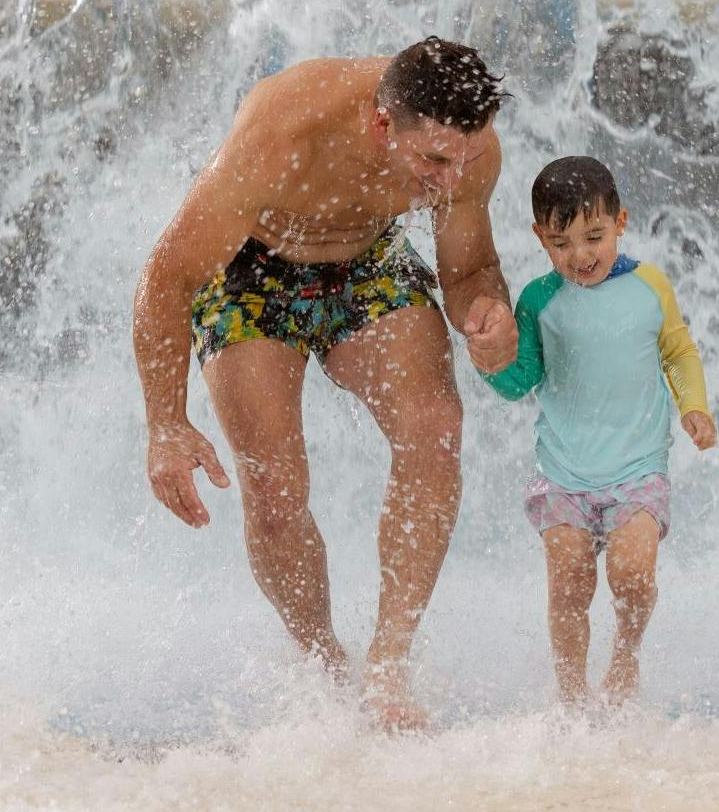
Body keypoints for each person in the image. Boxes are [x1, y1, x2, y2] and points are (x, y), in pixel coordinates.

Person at [131, 37, 519, 730]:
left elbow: (467, 271)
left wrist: (487, 315)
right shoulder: (284, 132)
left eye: (464, 159)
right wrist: (166, 422)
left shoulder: (466, 149)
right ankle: (322, 663)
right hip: (252, 272)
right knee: (276, 493)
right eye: (433, 161)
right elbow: (168, 277)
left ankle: (389, 664)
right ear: (379, 124)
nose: (451, 179)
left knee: (437, 428)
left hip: (366, 262)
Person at [479, 156, 716, 706]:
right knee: (569, 586)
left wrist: (694, 406)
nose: (581, 256)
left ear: (620, 222)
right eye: (561, 243)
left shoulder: (649, 285)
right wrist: (489, 362)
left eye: (594, 236)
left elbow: (678, 351)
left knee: (632, 576)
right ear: (539, 237)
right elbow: (522, 382)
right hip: (563, 471)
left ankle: (625, 655)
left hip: (637, 467)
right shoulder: (539, 300)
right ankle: (572, 698)